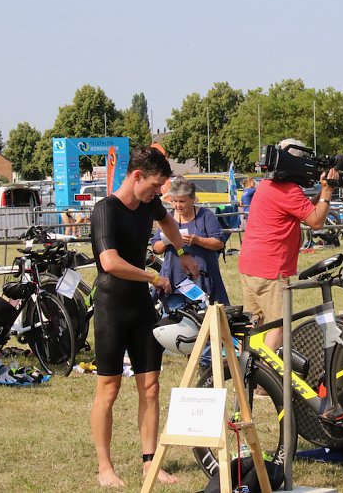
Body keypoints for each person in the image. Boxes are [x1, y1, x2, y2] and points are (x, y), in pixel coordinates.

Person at [89, 147, 200, 488]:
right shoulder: (105, 210)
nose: (158, 193)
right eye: (154, 185)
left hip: (140, 306)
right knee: (109, 389)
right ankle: (104, 467)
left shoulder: (149, 204)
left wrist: (181, 252)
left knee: (150, 387)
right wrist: (152, 275)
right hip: (111, 305)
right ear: (136, 176)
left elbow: (168, 222)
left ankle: (150, 464)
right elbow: (109, 262)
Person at [238, 138, 338, 350]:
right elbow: (316, 221)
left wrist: (322, 190)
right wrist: (328, 193)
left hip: (250, 267)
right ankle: (267, 380)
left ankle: (250, 377)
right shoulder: (287, 189)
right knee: (279, 326)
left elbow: (303, 212)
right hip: (271, 269)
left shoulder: (267, 185)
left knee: (255, 327)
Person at [151, 175, 229, 309]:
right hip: (174, 277)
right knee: (173, 320)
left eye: (182, 201)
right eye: (174, 201)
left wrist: (197, 240)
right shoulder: (167, 218)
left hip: (201, 277)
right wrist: (169, 240)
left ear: (192, 199)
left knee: (203, 319)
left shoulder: (205, 216)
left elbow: (219, 243)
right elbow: (156, 248)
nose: (177, 205)